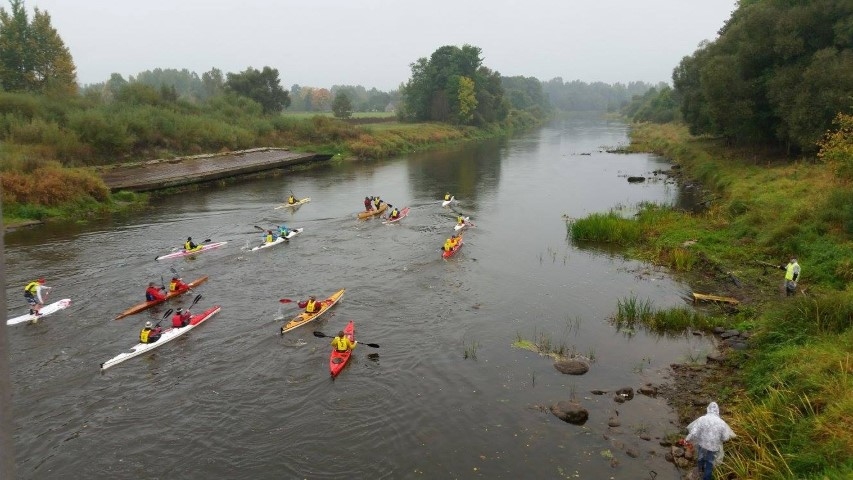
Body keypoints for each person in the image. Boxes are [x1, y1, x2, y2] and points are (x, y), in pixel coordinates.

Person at [684, 402, 736, 480]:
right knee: (709, 462)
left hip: (702, 444)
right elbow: (725, 438)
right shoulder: (722, 423)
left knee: (700, 457)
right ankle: (706, 478)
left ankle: (700, 470)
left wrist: (686, 439)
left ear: (708, 409)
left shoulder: (702, 419)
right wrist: (719, 439)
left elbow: (694, 432)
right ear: (717, 411)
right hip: (713, 447)